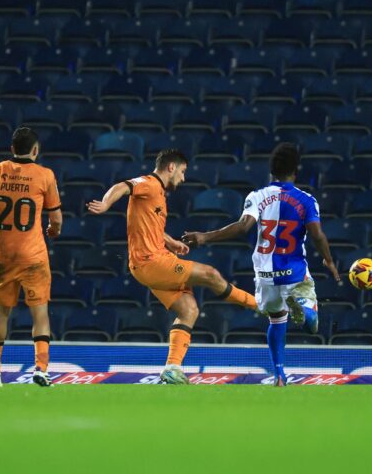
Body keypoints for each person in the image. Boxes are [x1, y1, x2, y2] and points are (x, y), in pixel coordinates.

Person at [87, 149, 258, 385]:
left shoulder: (157, 194)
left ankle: (172, 368)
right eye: (183, 171)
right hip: (152, 262)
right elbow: (122, 186)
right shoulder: (148, 183)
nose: (183, 178)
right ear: (171, 167)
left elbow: (148, 224)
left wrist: (171, 241)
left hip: (151, 263)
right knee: (211, 274)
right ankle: (258, 305)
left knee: (189, 310)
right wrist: (106, 204)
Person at [183, 143, 340, 386]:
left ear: (271, 172)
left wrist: (205, 236)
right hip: (294, 272)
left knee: (276, 319)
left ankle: (279, 374)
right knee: (312, 325)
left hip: (265, 274)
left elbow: (243, 226)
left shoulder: (256, 196)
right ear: (295, 171)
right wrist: (328, 260)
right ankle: (305, 311)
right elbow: (317, 235)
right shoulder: (307, 200)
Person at [0, 127, 62, 388]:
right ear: (35, 150)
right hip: (34, 257)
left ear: (11, 150)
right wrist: (54, 230)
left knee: (1, 312)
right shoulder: (45, 175)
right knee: (39, 313)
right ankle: (41, 369)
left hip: (4, 256)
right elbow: (56, 219)